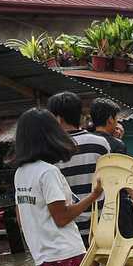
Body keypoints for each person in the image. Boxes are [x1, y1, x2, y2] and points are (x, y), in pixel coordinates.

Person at [11, 107, 104, 266]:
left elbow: (21, 219)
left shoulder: (21, 174)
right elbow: (62, 217)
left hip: (45, 259)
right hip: (66, 255)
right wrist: (93, 197)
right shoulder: (48, 172)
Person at [46, 92, 115, 245]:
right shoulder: (100, 143)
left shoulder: (51, 151)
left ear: (57, 118)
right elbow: (109, 182)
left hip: (69, 227)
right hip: (101, 222)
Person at [86, 97, 133, 239]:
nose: (116, 124)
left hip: (94, 206)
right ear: (110, 119)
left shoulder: (86, 142)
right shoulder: (116, 144)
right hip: (118, 205)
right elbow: (125, 179)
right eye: (116, 119)